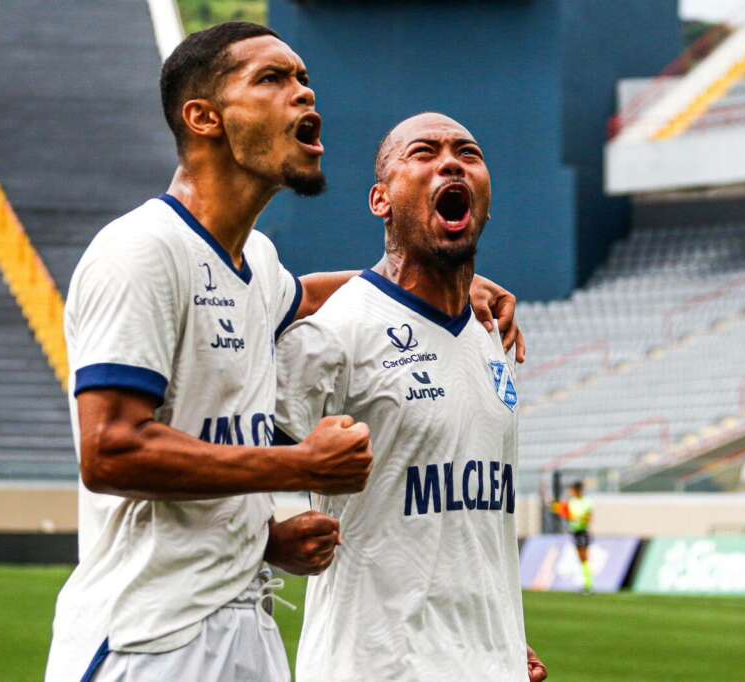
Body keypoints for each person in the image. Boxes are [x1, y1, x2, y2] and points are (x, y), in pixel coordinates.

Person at [45, 24, 525, 682]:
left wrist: (457, 282)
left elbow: (306, 295)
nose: (304, 96)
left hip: (247, 623)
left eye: (304, 80)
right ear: (203, 117)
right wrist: (298, 464)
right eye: (273, 80)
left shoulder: (255, 266)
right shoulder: (142, 250)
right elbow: (111, 450)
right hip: (148, 634)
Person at [275, 112, 546, 681]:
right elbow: (241, 452)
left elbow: (466, 521)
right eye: (422, 152)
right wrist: (275, 532)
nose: (451, 162)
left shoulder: (490, 332)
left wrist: (497, 642)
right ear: (381, 200)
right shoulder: (337, 331)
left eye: (467, 153)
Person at [554, 481, 594, 594]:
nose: (571, 492)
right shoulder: (572, 502)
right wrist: (556, 507)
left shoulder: (586, 502)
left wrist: (575, 518)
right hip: (575, 532)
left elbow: (586, 517)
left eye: (573, 490)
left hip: (582, 532)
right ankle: (586, 584)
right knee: (582, 559)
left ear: (577, 490)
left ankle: (588, 585)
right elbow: (565, 512)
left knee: (584, 558)